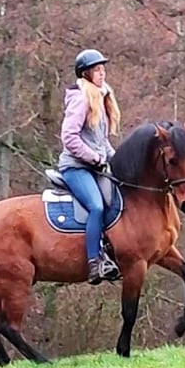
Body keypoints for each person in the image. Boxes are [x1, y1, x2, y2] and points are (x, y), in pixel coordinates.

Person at [57, 48, 122, 285]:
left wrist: (117, 159)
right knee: (96, 206)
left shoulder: (99, 98)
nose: (102, 73)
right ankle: (94, 262)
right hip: (76, 167)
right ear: (86, 74)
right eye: (97, 70)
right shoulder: (81, 99)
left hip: (95, 167)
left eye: (103, 69)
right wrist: (94, 158)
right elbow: (69, 137)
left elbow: (101, 141)